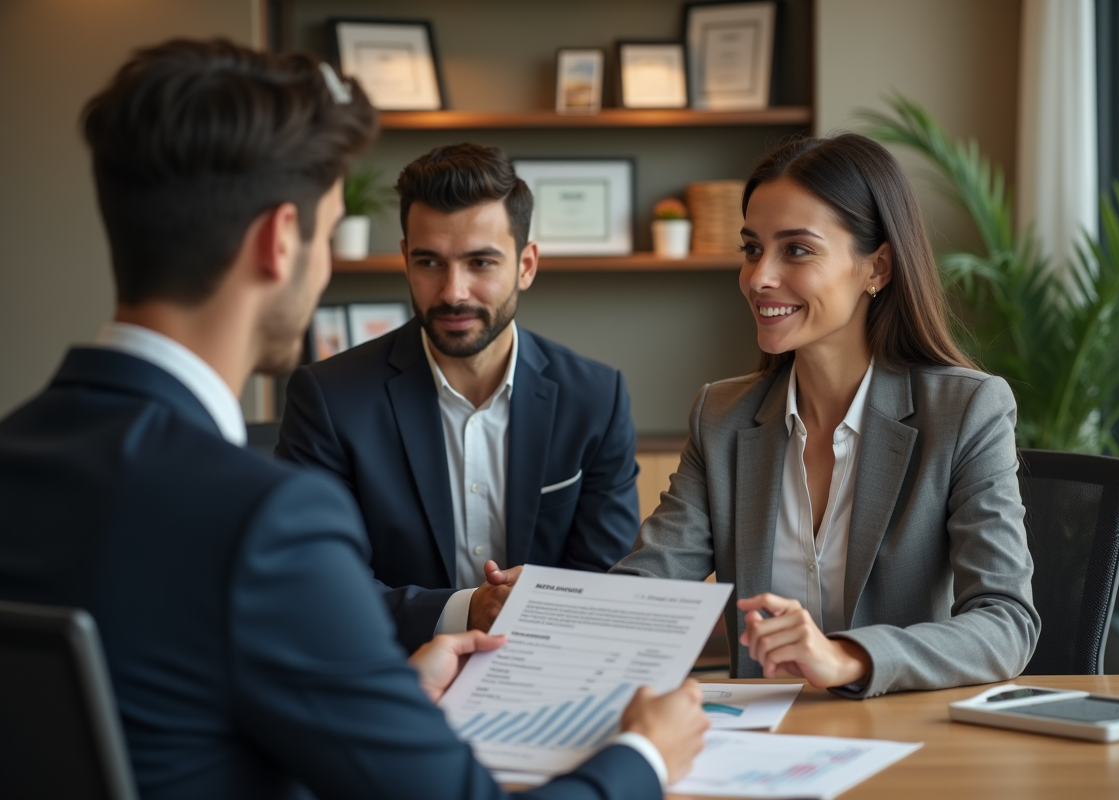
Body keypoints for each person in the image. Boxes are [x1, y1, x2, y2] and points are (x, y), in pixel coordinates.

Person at [0, 39, 707, 799]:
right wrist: (645, 757)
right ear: (280, 242)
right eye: (331, 229)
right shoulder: (263, 520)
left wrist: (382, 690)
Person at [612, 134, 1040, 698]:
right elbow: (652, 589)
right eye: (751, 248)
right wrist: (553, 606)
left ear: (877, 268)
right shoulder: (721, 415)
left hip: (905, 740)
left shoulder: (966, 411)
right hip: (759, 746)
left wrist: (848, 657)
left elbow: (1006, 623)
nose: (759, 277)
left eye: (796, 250)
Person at [276, 143, 642, 652]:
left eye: (480, 262)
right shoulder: (328, 399)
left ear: (526, 265)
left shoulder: (596, 398)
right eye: (430, 262)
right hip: (393, 679)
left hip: (553, 673)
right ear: (406, 260)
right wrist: (464, 610)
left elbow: (606, 580)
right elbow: (318, 584)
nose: (453, 291)